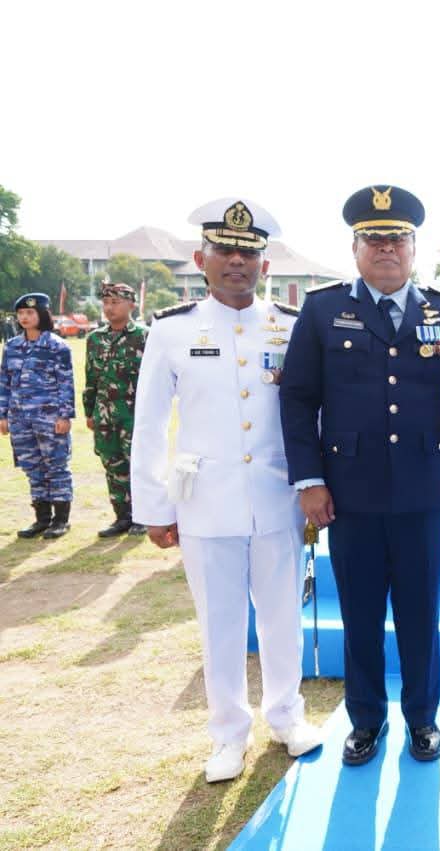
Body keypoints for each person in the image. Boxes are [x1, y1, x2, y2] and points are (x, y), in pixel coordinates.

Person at [279, 185, 440, 767]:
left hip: (422, 488)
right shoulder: (322, 310)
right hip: (349, 492)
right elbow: (298, 399)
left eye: (397, 238)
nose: (386, 248)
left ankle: (422, 718)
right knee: (360, 614)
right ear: (355, 248)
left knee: (420, 611)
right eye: (374, 239)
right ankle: (366, 719)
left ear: (414, 248)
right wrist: (309, 480)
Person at [131, 199, 325, 783]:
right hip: (205, 501)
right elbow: (149, 423)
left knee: (283, 616)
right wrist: (154, 506)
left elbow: (314, 414)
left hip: (277, 498)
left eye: (248, 252)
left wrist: (316, 485)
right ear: (201, 260)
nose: (237, 261)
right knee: (219, 623)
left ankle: (287, 716)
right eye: (224, 250)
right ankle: (227, 734)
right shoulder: (171, 330)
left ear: (265, 264)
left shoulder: (293, 327)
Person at [0, 292, 75, 538]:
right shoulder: (12, 347)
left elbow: (66, 383)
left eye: (30, 313)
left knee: (56, 467)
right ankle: (42, 519)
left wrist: (65, 416)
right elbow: (4, 382)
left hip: (49, 419)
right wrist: (3, 415)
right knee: (32, 468)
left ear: (42, 314)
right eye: (21, 313)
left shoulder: (57, 346)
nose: (24, 317)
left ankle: (61, 520)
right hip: (20, 419)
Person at [83, 281, 148, 537]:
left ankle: (143, 517)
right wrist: (89, 412)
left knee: (138, 466)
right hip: (104, 416)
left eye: (115, 302)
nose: (109, 308)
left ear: (131, 304)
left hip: (135, 416)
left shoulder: (145, 336)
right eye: (106, 303)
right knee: (112, 466)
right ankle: (122, 517)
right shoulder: (95, 339)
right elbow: (91, 378)